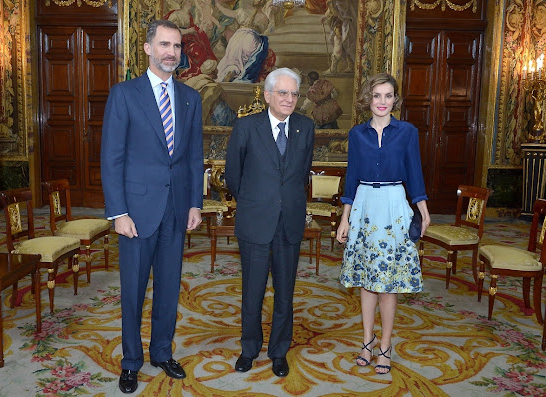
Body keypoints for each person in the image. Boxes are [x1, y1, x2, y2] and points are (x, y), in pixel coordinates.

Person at [100, 20, 203, 393]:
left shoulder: (192, 98)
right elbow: (111, 158)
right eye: (163, 44)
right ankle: (131, 361)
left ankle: (162, 352)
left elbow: (193, 157)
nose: (170, 52)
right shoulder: (125, 94)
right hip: (136, 215)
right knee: (132, 291)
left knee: (169, 289)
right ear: (147, 48)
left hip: (176, 211)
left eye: (176, 46)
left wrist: (195, 203)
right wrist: (118, 212)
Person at [335, 72, 431, 374]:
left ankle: (386, 346)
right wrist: (345, 217)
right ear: (368, 99)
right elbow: (350, 178)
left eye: (388, 96)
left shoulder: (407, 132)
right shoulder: (356, 134)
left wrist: (423, 210)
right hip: (364, 206)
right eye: (377, 95)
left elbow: (414, 173)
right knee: (366, 281)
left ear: (395, 100)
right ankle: (367, 341)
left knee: (388, 284)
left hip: (393, 206)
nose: (382, 102)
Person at [225, 67, 315, 377]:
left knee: (285, 293)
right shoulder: (246, 127)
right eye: (283, 93)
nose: (289, 99)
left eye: (294, 94)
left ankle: (279, 352)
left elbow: (302, 174)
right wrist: (256, 200)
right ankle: (249, 349)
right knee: (252, 292)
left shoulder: (306, 127)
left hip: (288, 223)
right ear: (267, 96)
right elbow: (233, 176)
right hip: (255, 222)